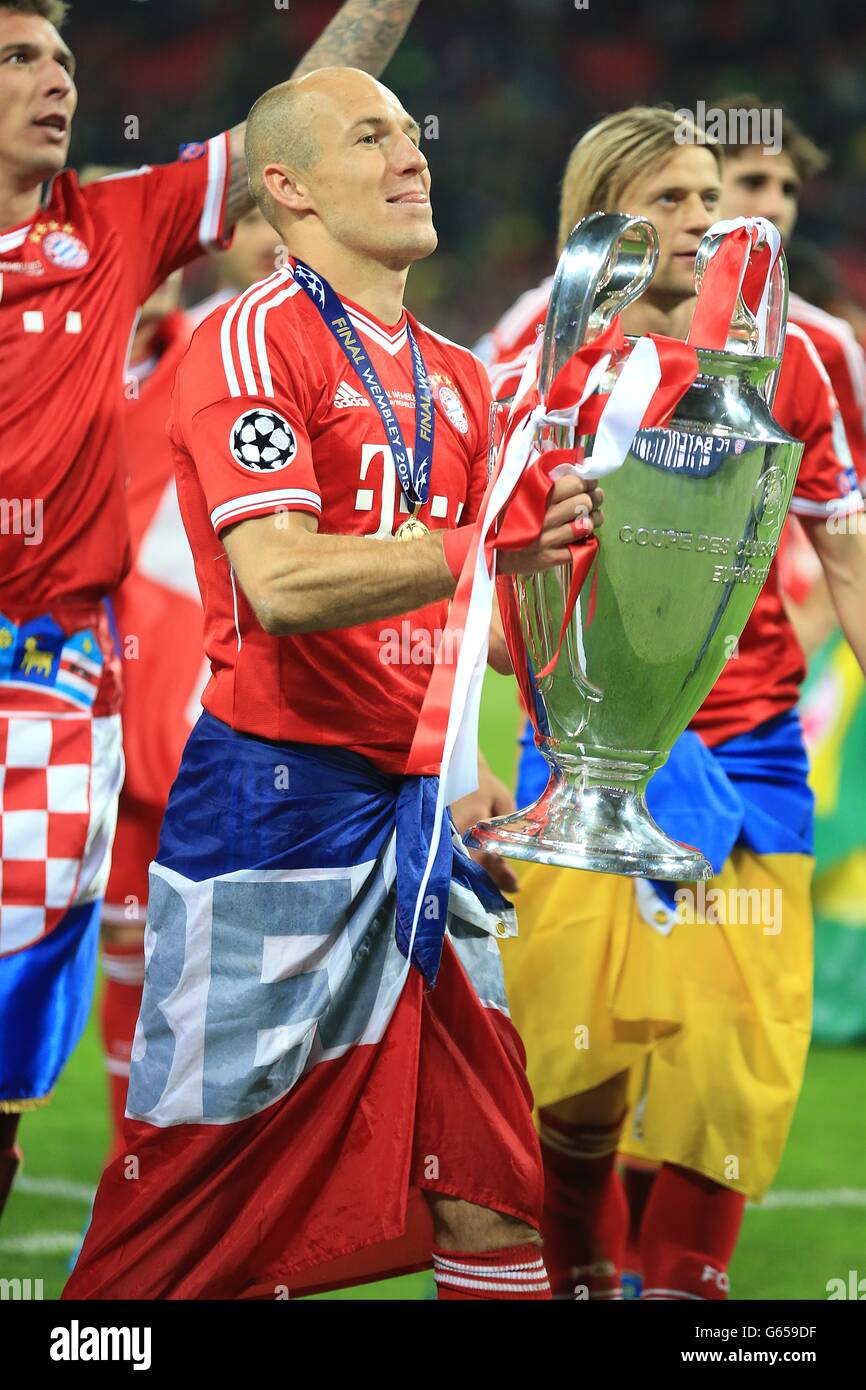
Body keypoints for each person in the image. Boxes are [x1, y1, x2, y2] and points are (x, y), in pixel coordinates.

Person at [62, 67, 604, 1301]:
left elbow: (494, 638)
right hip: (272, 811)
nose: (412, 157)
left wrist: (581, 573)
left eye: (413, 134)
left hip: (420, 825)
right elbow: (281, 580)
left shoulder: (463, 378)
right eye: (371, 138)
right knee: (191, 1205)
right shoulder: (251, 335)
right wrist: (479, 541)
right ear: (287, 189)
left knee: (487, 1183)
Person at [0, 0, 427, 1220]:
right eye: (19, 57)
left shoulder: (114, 224)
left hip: (46, 690)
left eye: (66, 59)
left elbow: (297, 116)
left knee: (7, 1052)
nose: (56, 80)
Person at [480, 105, 866, 1301]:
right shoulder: (527, 372)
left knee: (727, 1073)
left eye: (712, 196)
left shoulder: (802, 356)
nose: (705, 218)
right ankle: (583, 1268)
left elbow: (844, 552)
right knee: (574, 1073)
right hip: (584, 770)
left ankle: (691, 1297)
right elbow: (493, 624)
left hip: (749, 755)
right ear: (602, 222)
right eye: (670, 200)